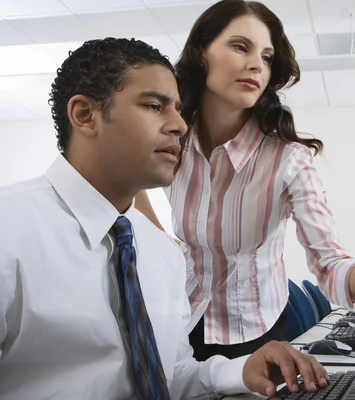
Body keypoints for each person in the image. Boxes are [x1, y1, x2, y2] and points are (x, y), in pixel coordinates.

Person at [135, 0, 355, 361]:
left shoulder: (288, 161)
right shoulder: (175, 138)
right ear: (200, 53)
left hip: (256, 334)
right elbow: (130, 179)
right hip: (183, 321)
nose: (256, 64)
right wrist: (163, 242)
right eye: (240, 47)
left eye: (266, 57)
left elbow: (333, 272)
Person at [0, 37, 329, 399]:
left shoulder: (163, 253)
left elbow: (170, 373)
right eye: (155, 106)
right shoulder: (9, 232)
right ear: (84, 115)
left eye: (177, 108)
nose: (180, 126)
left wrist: (241, 369)